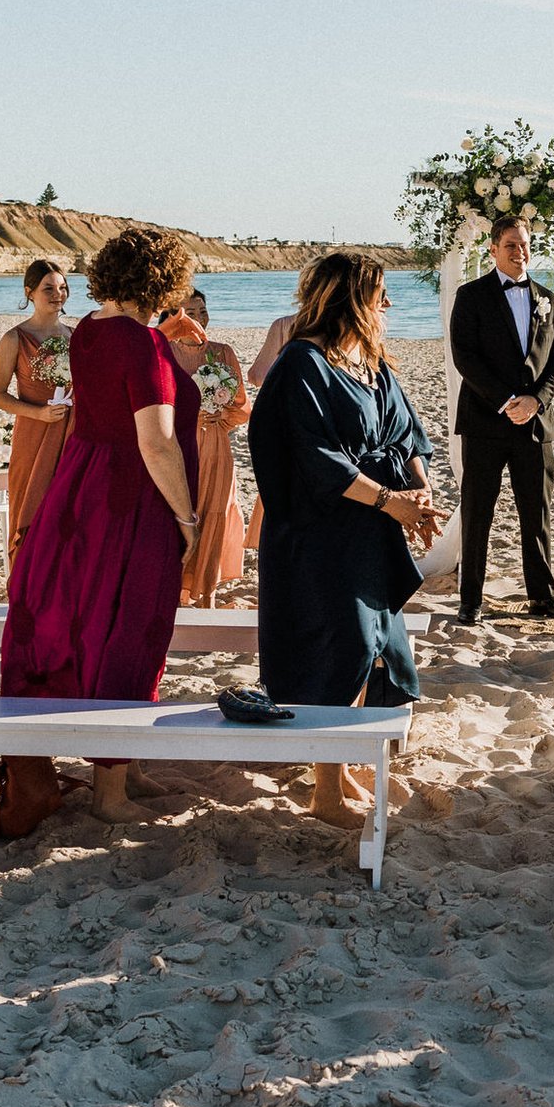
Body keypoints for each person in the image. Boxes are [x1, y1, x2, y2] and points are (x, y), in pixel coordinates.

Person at [0, 228, 201, 825]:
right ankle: (110, 794)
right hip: (131, 497)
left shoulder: (87, 329)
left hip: (81, 487)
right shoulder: (139, 344)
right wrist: (186, 517)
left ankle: (126, 768)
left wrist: (163, 343)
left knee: (101, 618)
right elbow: (157, 442)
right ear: (165, 281)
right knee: (131, 623)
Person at [252, 253, 445, 828]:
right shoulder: (302, 363)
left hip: (372, 532)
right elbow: (317, 460)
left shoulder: (375, 361)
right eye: (379, 293)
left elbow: (408, 434)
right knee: (337, 648)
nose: (388, 305)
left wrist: (422, 497)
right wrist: (391, 502)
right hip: (320, 536)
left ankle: (346, 761)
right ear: (351, 299)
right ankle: (326, 792)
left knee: (372, 649)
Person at [447, 216, 554, 622]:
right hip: (485, 422)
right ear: (493, 250)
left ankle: (542, 598)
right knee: (478, 513)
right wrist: (506, 401)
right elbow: (464, 356)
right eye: (511, 246)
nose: (519, 252)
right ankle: (471, 601)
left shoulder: (549, 299)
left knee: (536, 514)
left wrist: (535, 401)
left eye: (524, 244)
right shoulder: (470, 296)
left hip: (535, 426)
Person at [0, 259, 74, 570]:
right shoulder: (14, 339)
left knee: (69, 513)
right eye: (48, 288)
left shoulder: (75, 337)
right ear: (30, 292)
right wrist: (38, 414)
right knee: (30, 508)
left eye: (62, 288)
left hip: (72, 434)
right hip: (33, 433)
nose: (57, 294)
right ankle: (25, 584)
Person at [163, 290, 250, 605]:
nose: (199, 318)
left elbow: (241, 406)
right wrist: (188, 416)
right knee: (180, 514)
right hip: (177, 444)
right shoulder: (164, 352)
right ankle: (176, 592)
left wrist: (219, 418)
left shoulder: (223, 352)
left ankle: (208, 594)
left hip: (214, 445)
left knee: (215, 513)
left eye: (203, 310)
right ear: (176, 317)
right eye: (191, 312)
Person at [244, 304, 299, 554]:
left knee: (282, 479)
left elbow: (257, 375)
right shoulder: (346, 324)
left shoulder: (284, 325)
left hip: (288, 416)